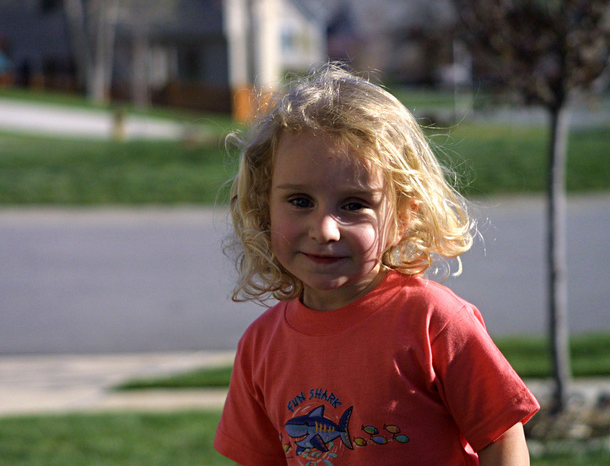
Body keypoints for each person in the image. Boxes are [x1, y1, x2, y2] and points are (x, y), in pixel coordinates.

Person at [214, 63, 539, 466]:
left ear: (403, 217)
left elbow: (501, 438)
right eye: (300, 201)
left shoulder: (435, 321)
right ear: (265, 208)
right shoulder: (260, 346)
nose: (324, 229)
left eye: (354, 205)